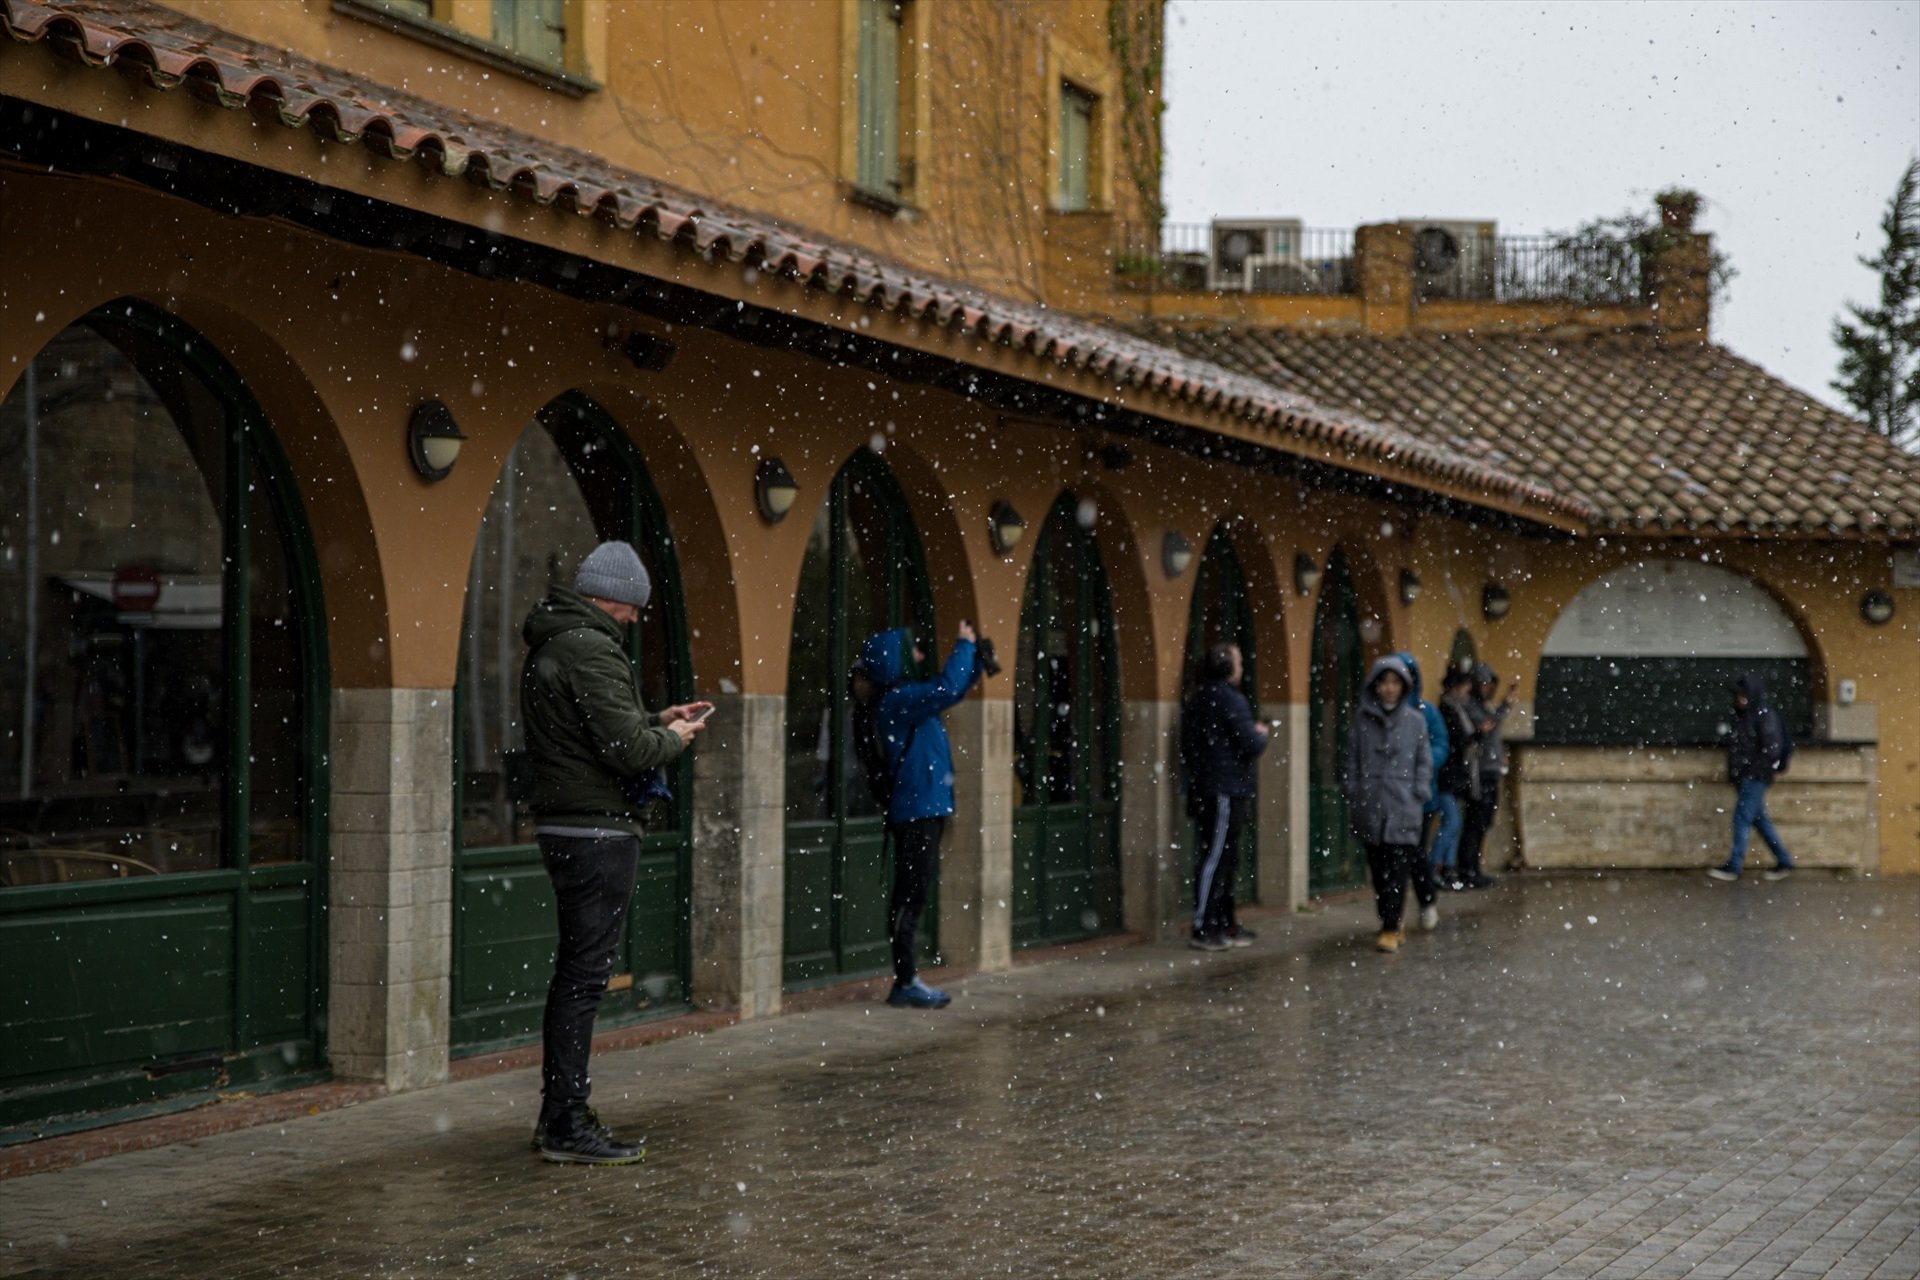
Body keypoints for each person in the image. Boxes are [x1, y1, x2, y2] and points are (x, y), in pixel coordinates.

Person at [521, 541, 710, 1164]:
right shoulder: (591, 647)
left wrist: (658, 716)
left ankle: (561, 1114)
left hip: (570, 825)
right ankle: (566, 1122)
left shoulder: (559, 644)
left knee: (576, 976)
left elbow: (598, 733)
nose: (633, 621)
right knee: (582, 980)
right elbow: (628, 751)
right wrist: (672, 738)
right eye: (633, 609)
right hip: (596, 831)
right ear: (615, 598)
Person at [857, 621, 985, 1008]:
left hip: (924, 808)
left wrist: (976, 662)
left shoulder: (907, 699)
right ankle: (905, 980)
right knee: (909, 897)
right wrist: (963, 646)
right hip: (915, 810)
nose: (920, 656)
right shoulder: (898, 701)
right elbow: (945, 688)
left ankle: (908, 978)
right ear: (893, 660)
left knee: (914, 893)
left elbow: (950, 692)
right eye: (912, 650)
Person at [1179, 642, 1270, 951]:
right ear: (1227, 667)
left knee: (1224, 857)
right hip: (1223, 790)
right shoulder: (1229, 700)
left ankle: (1222, 922)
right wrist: (1260, 733)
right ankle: (1205, 925)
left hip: (1214, 786)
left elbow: (1190, 745)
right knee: (1218, 856)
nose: (1242, 668)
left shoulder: (1200, 698)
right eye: (1239, 662)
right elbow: (1250, 744)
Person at [1345, 654, 1435, 952]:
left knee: (1398, 868)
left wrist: (1418, 791)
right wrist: (1355, 790)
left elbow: (1424, 759)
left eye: (1395, 683)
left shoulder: (1415, 721)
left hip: (1403, 806)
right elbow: (1353, 759)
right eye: (1384, 682)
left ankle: (1391, 924)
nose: (1389, 688)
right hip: (1371, 805)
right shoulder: (1361, 719)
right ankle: (1388, 918)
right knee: (1379, 869)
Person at [1709, 673, 1796, 882]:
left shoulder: (1762, 716)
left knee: (1742, 818)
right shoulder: (1747, 716)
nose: (1738, 699)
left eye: (1742, 695)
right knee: (1758, 819)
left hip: (1755, 777)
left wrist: (1752, 770)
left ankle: (1735, 865)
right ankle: (1784, 860)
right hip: (1748, 776)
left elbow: (1771, 749)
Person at [1454, 662, 1517, 889]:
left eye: (1490, 683)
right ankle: (1467, 869)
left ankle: (1474, 868)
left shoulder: (1482, 705)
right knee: (1475, 821)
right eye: (1484, 683)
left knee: (1483, 821)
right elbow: (1486, 727)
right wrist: (1504, 707)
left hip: (1489, 771)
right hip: (1477, 773)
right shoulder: (1471, 706)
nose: (1488, 687)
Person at [1395, 652, 1450, 886]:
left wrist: (1420, 763)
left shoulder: (1426, 712)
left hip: (1421, 795)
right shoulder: (1380, 714)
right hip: (1391, 796)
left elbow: (1440, 745)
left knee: (1417, 852)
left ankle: (1426, 896)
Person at [1432, 666, 1478, 890]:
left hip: (1454, 776)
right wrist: (1476, 736)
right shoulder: (1448, 711)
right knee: (1452, 822)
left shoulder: (1456, 709)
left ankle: (1448, 869)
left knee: (1453, 823)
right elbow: (1458, 740)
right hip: (1447, 776)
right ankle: (1434, 867)